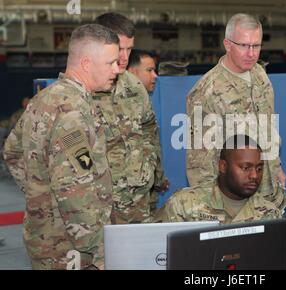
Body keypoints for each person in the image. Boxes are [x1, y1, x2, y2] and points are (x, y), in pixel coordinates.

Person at [2, 24, 120, 269]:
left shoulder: (44, 98)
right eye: (111, 63)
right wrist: (98, 252)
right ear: (87, 63)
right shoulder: (73, 111)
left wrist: (40, 196)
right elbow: (75, 192)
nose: (117, 70)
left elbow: (12, 151)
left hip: (45, 238)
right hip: (71, 248)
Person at [186, 13, 286, 214]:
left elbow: (268, 128)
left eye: (256, 46)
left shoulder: (260, 75)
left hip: (269, 192)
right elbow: (200, 164)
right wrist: (215, 211)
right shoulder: (206, 91)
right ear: (227, 44)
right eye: (244, 45)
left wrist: (276, 167)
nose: (251, 53)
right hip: (234, 201)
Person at [95, 12, 167, 223]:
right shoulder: (84, 88)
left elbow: (149, 130)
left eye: (129, 48)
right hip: (97, 206)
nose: (125, 57)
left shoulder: (134, 86)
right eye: (120, 49)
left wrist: (150, 170)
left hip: (135, 202)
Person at [155, 135, 282, 224]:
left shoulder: (270, 214)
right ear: (223, 166)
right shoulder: (183, 205)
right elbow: (159, 255)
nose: (254, 175)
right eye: (245, 167)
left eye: (259, 169)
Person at [127, 48, 169, 215]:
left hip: (146, 192)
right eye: (149, 70)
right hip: (132, 198)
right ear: (132, 72)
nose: (155, 76)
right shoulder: (126, 107)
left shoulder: (143, 102)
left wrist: (157, 179)